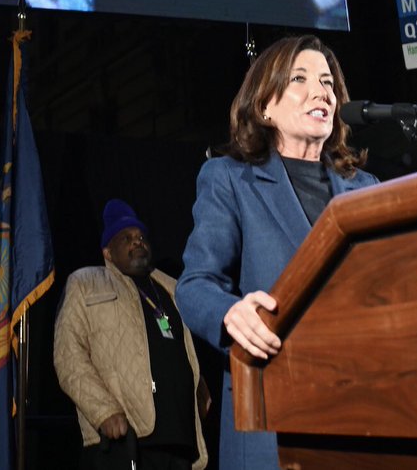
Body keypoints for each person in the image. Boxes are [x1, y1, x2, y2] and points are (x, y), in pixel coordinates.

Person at [174, 34, 379, 469]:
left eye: (327, 82)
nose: (320, 91)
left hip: (363, 411)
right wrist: (230, 314)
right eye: (299, 79)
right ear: (265, 106)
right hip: (273, 410)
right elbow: (195, 286)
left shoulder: (368, 189)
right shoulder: (230, 178)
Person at [54, 199, 210, 470]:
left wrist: (200, 391)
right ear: (107, 252)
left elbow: (182, 350)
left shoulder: (172, 288)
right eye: (126, 237)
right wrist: (104, 411)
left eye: (140, 236)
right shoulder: (86, 282)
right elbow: (68, 354)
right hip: (126, 439)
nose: (137, 241)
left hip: (179, 442)